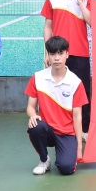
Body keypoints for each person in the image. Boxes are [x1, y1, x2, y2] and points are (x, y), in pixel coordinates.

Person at [42, 0, 92, 131]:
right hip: (58, 53)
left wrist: (80, 2)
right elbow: (48, 26)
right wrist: (48, 52)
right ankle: (58, 127)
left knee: (82, 91)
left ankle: (84, 129)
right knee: (56, 90)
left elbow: (92, 21)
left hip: (80, 52)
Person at [25, 36, 87, 176]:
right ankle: (44, 160)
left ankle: (66, 155)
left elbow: (77, 117)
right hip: (47, 130)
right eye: (52, 54)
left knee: (66, 168)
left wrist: (79, 147)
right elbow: (30, 107)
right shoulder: (38, 77)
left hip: (66, 133)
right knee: (35, 126)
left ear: (67, 54)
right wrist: (33, 115)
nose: (57, 58)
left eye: (60, 53)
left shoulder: (75, 83)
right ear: (48, 55)